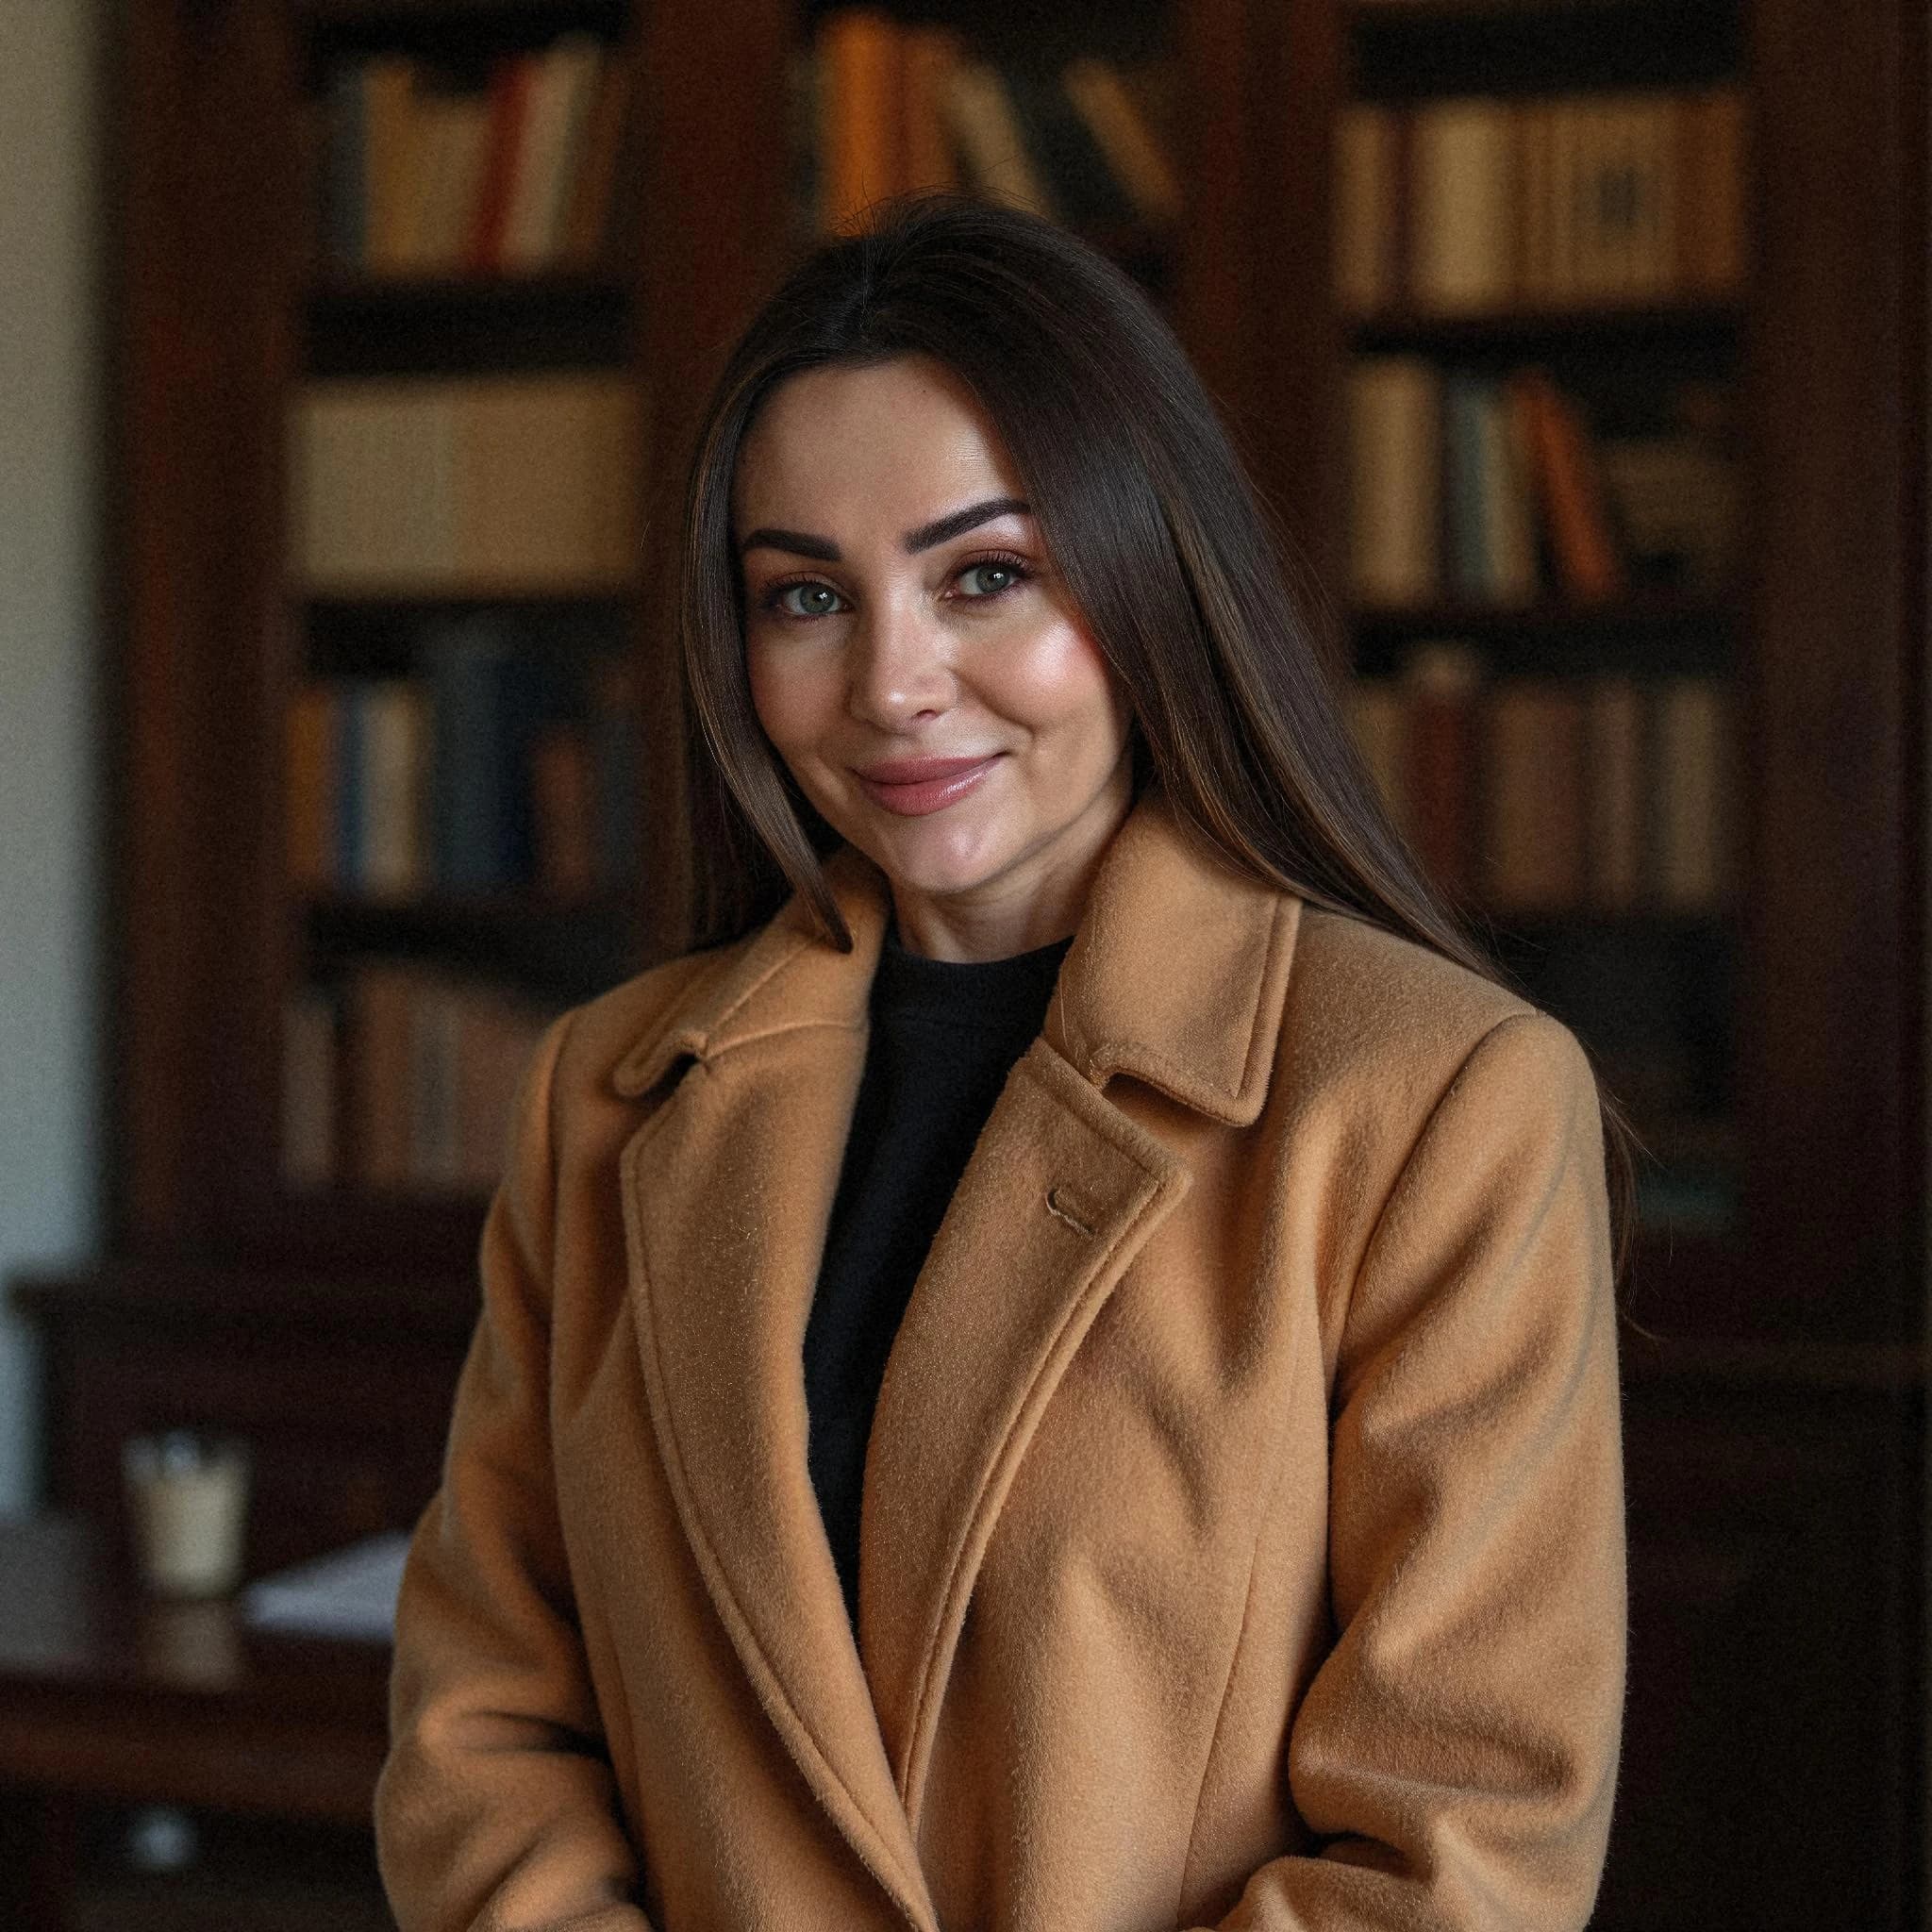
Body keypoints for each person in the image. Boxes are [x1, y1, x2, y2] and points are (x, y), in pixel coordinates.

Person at [375, 198, 1627, 1932]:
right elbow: (484, 1725)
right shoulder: (604, 1094)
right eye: (806, 595)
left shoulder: (1441, 1103)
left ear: (1140, 577)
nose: (893, 684)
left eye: (985, 576)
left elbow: (1461, 1846)